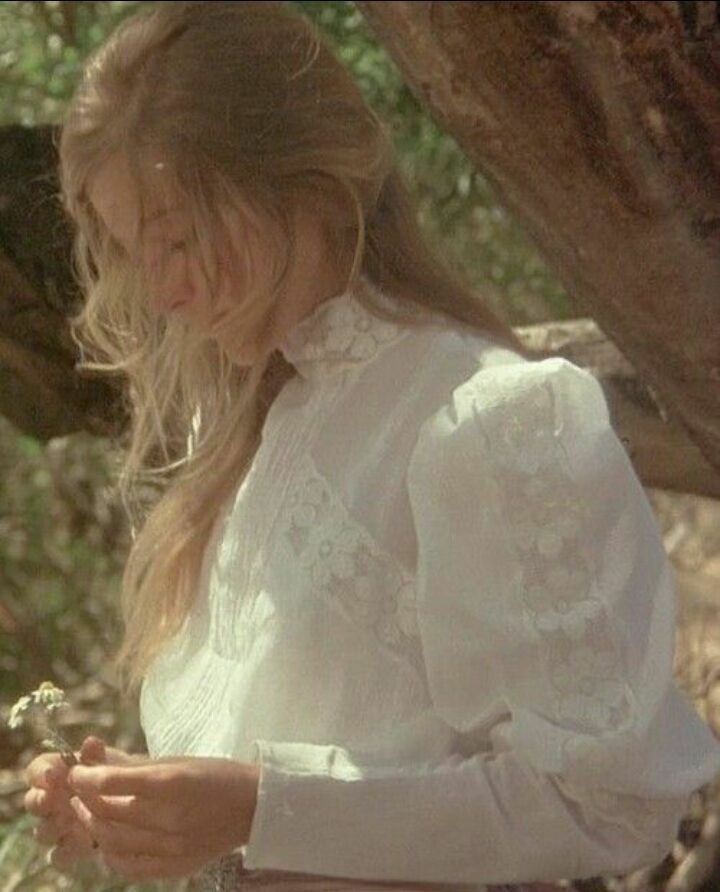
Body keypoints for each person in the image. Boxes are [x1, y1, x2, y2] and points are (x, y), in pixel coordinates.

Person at [22, 2, 720, 891]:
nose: (161, 292)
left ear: (305, 182)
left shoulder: (487, 418)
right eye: (135, 253)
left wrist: (260, 810)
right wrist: (149, 814)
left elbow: (606, 806)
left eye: (179, 240)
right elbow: (318, 773)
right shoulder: (257, 426)